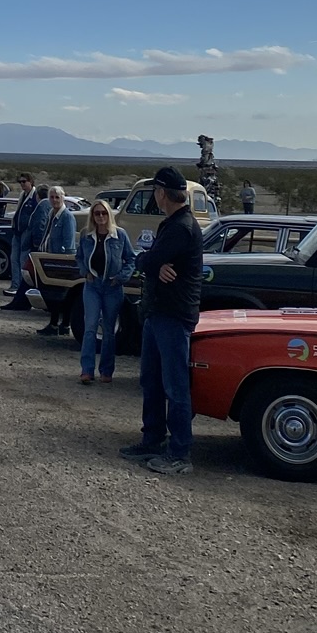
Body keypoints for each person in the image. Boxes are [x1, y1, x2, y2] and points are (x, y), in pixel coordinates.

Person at [120, 167, 205, 474]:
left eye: (155, 192)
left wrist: (150, 262)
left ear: (161, 193)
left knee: (175, 385)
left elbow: (148, 259)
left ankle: (180, 452)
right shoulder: (171, 224)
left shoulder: (181, 227)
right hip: (158, 312)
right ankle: (152, 438)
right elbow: (150, 260)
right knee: (152, 380)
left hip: (173, 315)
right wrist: (152, 264)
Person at [76, 200, 136, 382]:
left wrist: (121, 277)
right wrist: (85, 272)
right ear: (92, 216)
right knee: (90, 327)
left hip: (112, 287)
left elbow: (131, 259)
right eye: (97, 213)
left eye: (104, 213)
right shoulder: (86, 235)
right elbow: (79, 257)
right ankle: (87, 370)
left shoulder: (120, 235)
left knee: (109, 330)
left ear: (109, 214)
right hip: (92, 286)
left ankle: (106, 371)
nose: (101, 216)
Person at [31, 185, 79, 336]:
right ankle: (61, 325)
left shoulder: (67, 217)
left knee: (60, 295)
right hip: (50, 257)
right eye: (52, 197)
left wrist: (64, 260)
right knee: (55, 294)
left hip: (60, 261)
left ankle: (58, 324)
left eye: (57, 197)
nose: (54, 200)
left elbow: (69, 243)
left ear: (63, 198)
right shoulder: (52, 213)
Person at [1, 176, 39, 312]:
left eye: (24, 181)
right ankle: (15, 285)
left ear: (31, 182)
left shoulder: (34, 196)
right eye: (20, 182)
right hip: (17, 231)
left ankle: (21, 287)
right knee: (14, 258)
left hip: (26, 233)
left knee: (23, 260)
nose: (22, 184)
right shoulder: (23, 195)